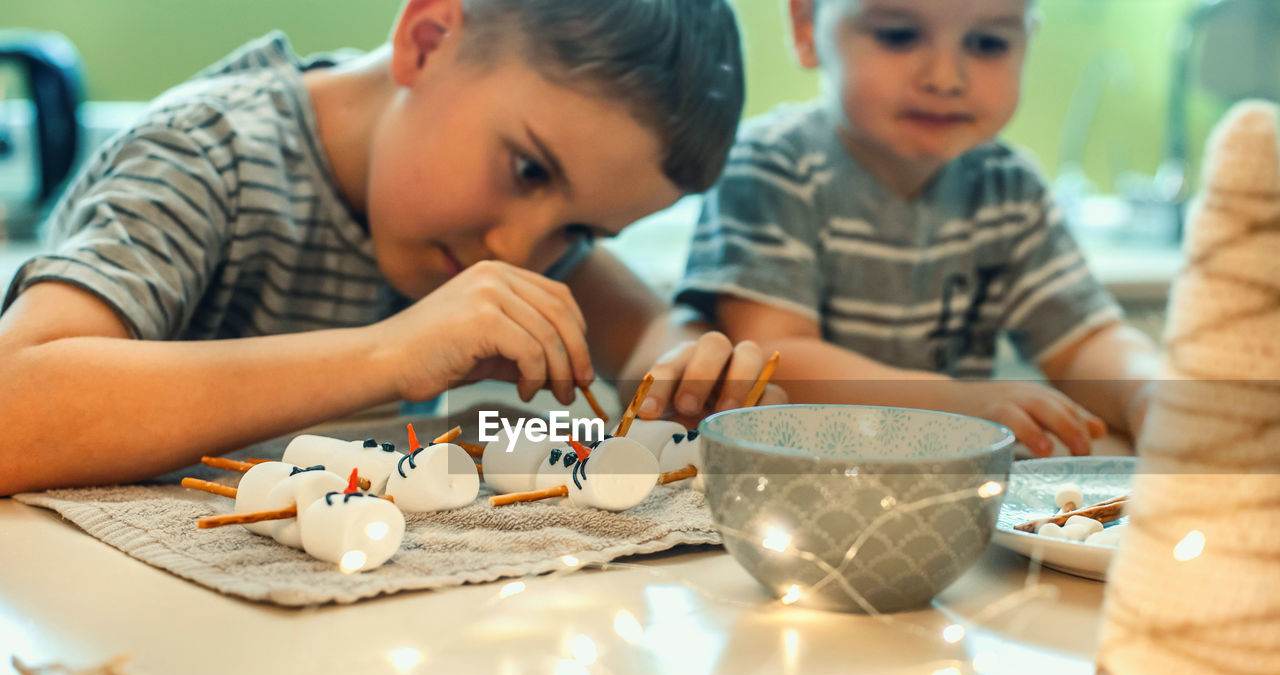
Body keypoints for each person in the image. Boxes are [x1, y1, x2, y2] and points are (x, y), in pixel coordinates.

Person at [0, 0, 776, 495]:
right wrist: (389, 353)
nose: (517, 248)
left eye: (582, 232)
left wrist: (691, 372)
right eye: (528, 168)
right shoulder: (204, 157)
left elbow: (642, 330)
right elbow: (14, 409)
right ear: (429, 39)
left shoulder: (483, 224)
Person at [673, 0, 1160, 456]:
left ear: (1028, 41)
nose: (946, 78)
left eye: (989, 44)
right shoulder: (773, 166)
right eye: (898, 35)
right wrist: (957, 404)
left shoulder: (1009, 188)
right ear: (806, 27)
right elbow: (778, 355)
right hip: (801, 480)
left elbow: (1085, 342)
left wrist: (1151, 395)